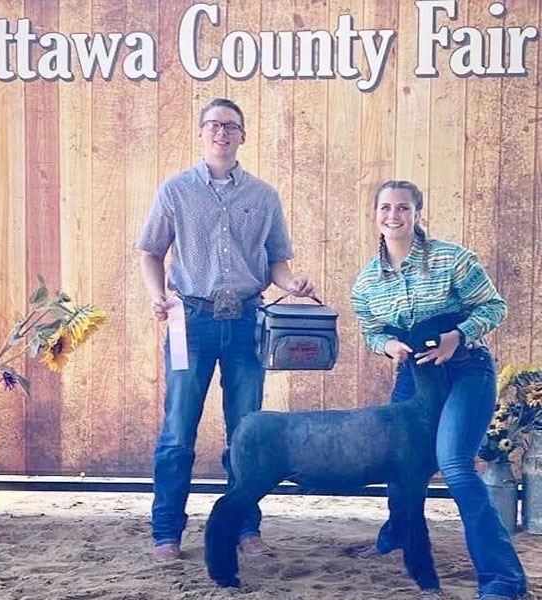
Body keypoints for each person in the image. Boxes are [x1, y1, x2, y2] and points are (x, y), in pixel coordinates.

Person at [137, 98, 316, 562]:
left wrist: (291, 282)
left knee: (246, 432)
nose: (222, 133)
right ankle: (166, 533)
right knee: (177, 432)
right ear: (201, 133)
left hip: (246, 323)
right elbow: (151, 252)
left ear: (243, 136)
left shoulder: (264, 196)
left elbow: (277, 261)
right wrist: (158, 295)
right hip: (189, 321)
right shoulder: (175, 191)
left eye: (231, 126)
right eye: (214, 125)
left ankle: (244, 529)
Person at [350, 180, 527, 600]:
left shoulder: (452, 259)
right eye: (386, 208)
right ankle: (399, 528)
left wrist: (458, 337)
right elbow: (371, 331)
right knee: (400, 462)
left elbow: (494, 307)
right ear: (375, 213)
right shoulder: (367, 283)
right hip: (414, 376)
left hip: (467, 371)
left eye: (403, 209)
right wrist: (387, 345)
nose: (393, 216)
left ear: (417, 213)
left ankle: (503, 578)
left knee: (455, 466)